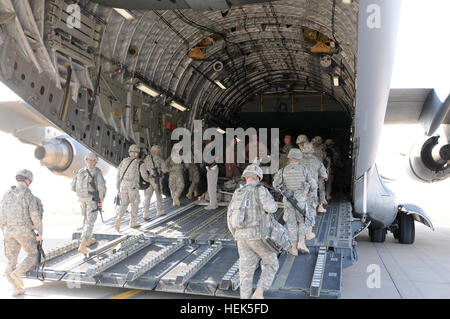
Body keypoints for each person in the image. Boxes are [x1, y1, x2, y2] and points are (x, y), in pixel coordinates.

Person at [227, 159, 279, 299]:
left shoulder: (237, 192)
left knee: (245, 270)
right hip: (257, 236)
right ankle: (259, 292)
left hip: (241, 237)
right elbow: (271, 208)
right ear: (258, 177)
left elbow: (229, 217)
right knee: (271, 263)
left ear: (246, 177)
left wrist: (236, 236)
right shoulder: (260, 190)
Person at [0, 169, 42, 296]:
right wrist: (40, 232)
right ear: (28, 180)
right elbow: (34, 214)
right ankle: (18, 273)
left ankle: (16, 288)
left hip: (8, 231)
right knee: (33, 254)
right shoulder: (27, 193)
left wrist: (4, 230)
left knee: (11, 259)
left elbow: (1, 214)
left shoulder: (7, 194)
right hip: (23, 230)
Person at [273, 148, 315, 255]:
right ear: (299, 158)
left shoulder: (282, 171)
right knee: (303, 221)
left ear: (290, 158)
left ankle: (293, 248)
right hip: (301, 200)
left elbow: (275, 185)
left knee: (291, 223)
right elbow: (314, 185)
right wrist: (307, 192)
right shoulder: (304, 170)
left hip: (288, 200)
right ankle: (301, 242)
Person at [71, 152, 107, 254]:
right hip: (92, 200)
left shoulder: (80, 172)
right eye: (95, 161)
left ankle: (89, 239)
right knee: (90, 222)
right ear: (93, 161)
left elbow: (73, 187)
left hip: (82, 199)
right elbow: (101, 187)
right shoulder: (96, 171)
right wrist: (101, 200)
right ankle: (83, 245)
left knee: (86, 219)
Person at [114, 144, 148, 231]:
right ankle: (133, 221)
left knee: (124, 204)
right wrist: (150, 179)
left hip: (123, 186)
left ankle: (119, 217)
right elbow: (145, 176)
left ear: (129, 152)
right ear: (137, 153)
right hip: (133, 187)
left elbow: (118, 175)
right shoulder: (139, 163)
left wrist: (118, 186)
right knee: (134, 203)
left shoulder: (123, 161)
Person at [301, 143, 328, 237]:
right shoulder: (317, 161)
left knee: (299, 210)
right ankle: (308, 233)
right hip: (311, 190)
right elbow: (324, 175)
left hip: (299, 190)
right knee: (311, 210)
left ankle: (299, 234)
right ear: (312, 150)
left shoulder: (297, 161)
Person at [143, 145, 168, 218]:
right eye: (159, 151)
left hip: (148, 179)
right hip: (156, 180)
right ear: (156, 151)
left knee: (147, 196)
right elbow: (164, 169)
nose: (160, 152)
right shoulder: (159, 159)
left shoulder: (146, 158)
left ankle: (145, 213)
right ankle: (159, 211)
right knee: (158, 195)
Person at [166, 142, 185, 206]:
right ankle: (176, 197)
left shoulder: (171, 156)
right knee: (180, 186)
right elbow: (187, 165)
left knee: (172, 187)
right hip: (178, 172)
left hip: (171, 173)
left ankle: (174, 200)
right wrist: (183, 167)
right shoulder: (182, 155)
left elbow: (165, 164)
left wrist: (169, 169)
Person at [311, 136, 328, 208]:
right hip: (315, 169)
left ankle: (321, 200)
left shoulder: (321, 149)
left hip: (318, 169)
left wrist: (326, 169)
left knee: (319, 186)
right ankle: (319, 201)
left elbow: (325, 159)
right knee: (317, 186)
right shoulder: (311, 150)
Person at [204, 139, 219, 210]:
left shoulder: (213, 149)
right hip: (211, 169)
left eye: (206, 141)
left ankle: (212, 204)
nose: (205, 143)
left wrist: (211, 166)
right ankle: (214, 203)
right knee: (212, 187)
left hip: (212, 169)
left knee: (211, 187)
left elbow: (217, 159)